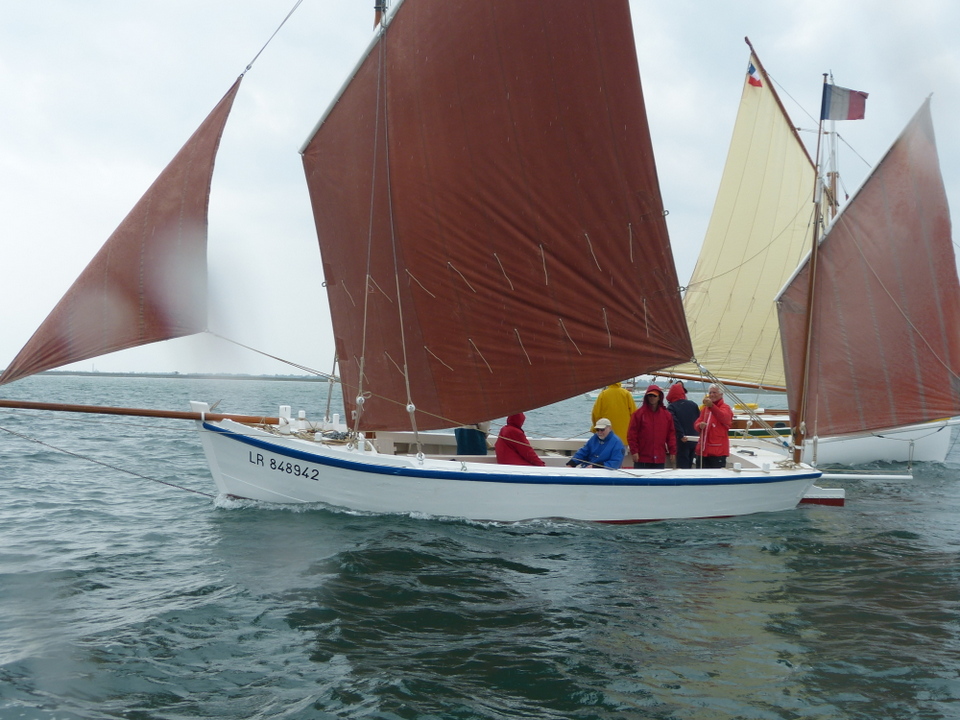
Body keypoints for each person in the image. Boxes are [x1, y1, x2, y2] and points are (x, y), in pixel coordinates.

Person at [627, 384, 676, 469]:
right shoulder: (638, 414)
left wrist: (673, 451)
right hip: (642, 458)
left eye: (654, 395)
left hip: (659, 458)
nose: (652, 398)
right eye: (650, 395)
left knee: (658, 482)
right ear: (646, 397)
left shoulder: (667, 415)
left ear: (659, 397)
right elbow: (632, 435)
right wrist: (634, 451)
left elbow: (671, 435)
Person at [695, 384, 734, 468]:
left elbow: (724, 418)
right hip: (703, 450)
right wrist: (700, 425)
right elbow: (696, 423)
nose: (712, 394)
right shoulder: (705, 409)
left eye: (714, 392)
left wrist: (712, 406)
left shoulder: (725, 408)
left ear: (721, 394)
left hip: (717, 452)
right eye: (710, 392)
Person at [666, 381, 700, 469]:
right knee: (690, 462)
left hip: (682, 440)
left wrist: (681, 435)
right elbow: (699, 419)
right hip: (694, 439)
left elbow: (674, 422)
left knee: (682, 465)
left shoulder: (672, 407)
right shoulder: (693, 405)